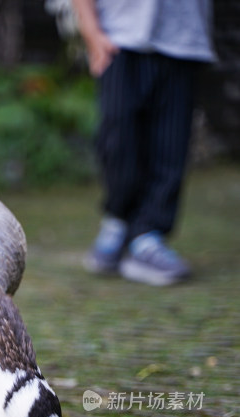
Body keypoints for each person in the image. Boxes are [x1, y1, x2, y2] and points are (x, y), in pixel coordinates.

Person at [72, 0, 214, 286]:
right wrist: (91, 30)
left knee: (170, 146)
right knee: (119, 138)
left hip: (183, 40)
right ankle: (118, 220)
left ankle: (148, 234)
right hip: (120, 36)